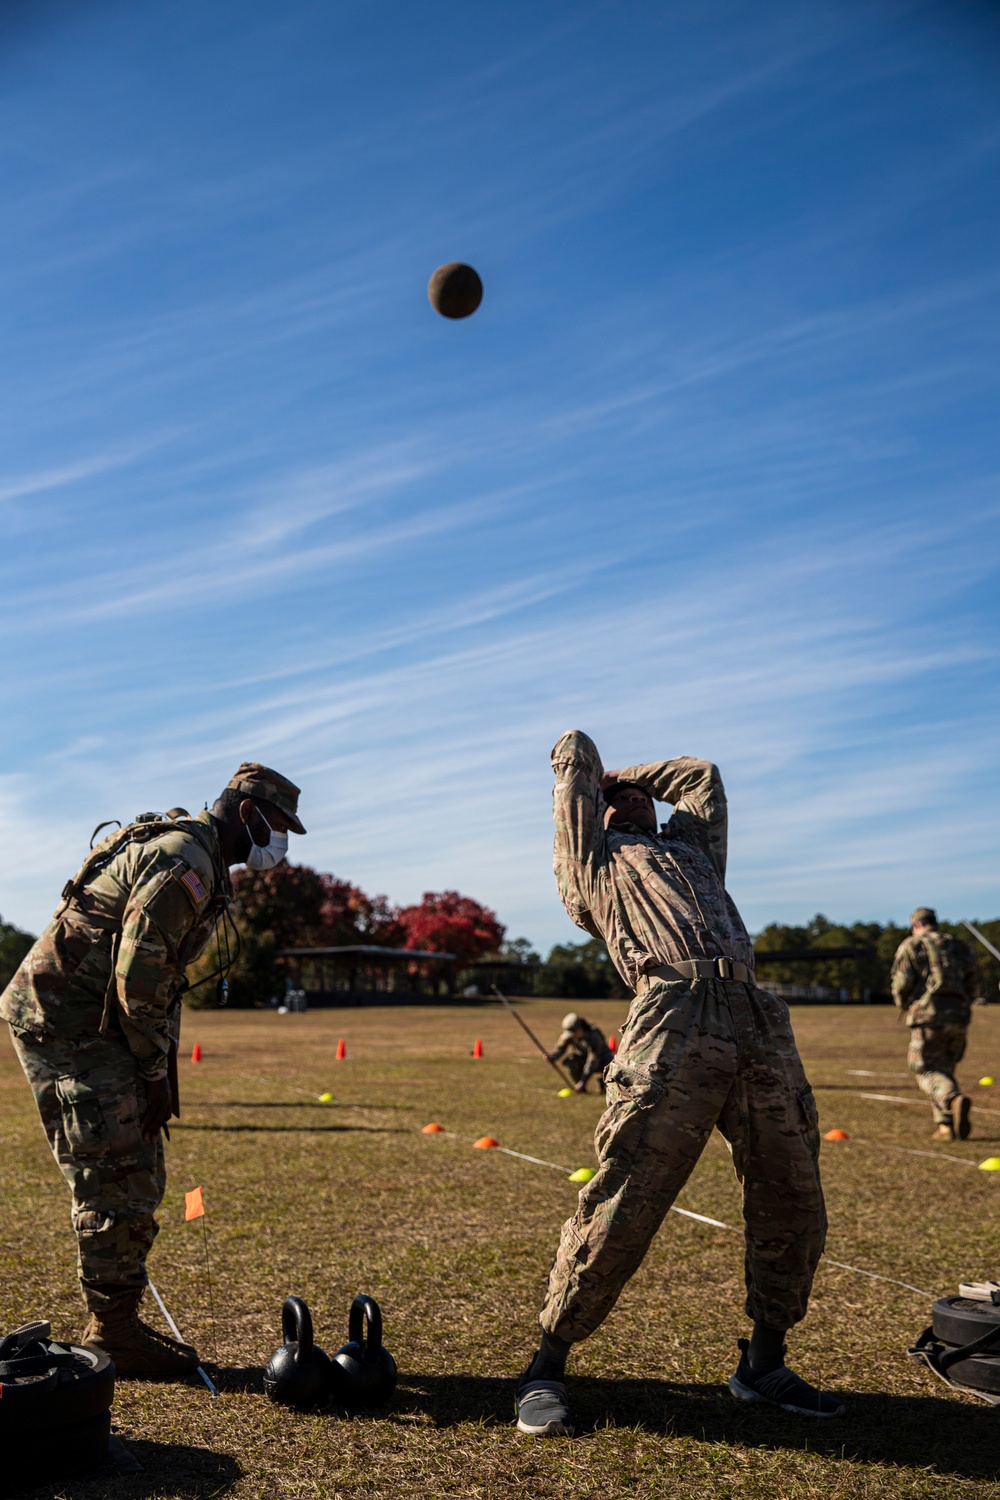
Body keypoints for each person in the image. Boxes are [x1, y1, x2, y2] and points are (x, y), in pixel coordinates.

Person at [515, 731, 841, 1438]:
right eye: (613, 799)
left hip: (757, 1018)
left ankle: (763, 1362)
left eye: (638, 796)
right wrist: (599, 779)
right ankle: (546, 1366)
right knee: (627, 1194)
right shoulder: (593, 864)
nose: (629, 800)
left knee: (794, 1192)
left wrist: (631, 780)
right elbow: (573, 757)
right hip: (671, 1015)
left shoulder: (694, 851)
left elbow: (702, 777)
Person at [0, 763, 305, 1378]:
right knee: (114, 1176)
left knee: (139, 1172)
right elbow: (136, 979)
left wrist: (166, 1073)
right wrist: (152, 1073)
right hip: (68, 1024)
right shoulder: (185, 865)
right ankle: (113, 1335)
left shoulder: (199, 860)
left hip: (99, 1024)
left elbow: (161, 984)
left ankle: (115, 1324)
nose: (280, 845)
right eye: (276, 826)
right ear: (246, 813)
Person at [891, 908, 983, 1140]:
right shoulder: (959, 947)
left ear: (916, 925)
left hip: (928, 1017)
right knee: (945, 1068)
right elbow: (974, 984)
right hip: (959, 1016)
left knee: (926, 1069)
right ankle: (945, 1126)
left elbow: (902, 984)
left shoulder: (912, 945)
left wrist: (903, 1003)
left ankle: (952, 1098)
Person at [548, 1012, 613, 1093]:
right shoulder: (571, 1036)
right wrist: (552, 1057)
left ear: (580, 1028)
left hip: (601, 1060)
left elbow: (593, 1060)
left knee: (610, 1066)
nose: (572, 1036)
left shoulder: (594, 1036)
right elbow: (561, 1048)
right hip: (584, 1059)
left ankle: (604, 1083)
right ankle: (580, 1087)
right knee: (571, 1060)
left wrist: (583, 1081)